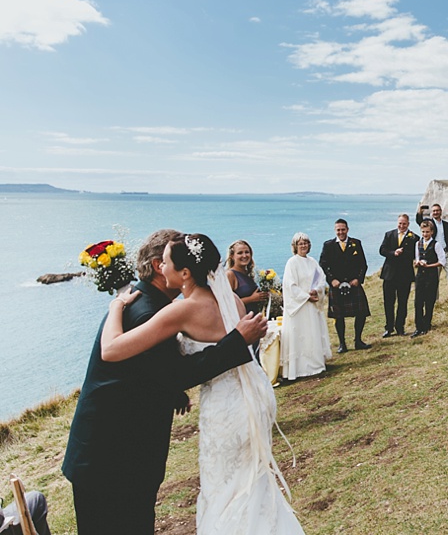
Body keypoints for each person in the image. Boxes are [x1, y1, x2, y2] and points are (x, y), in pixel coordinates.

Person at [63, 229, 267, 535]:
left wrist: (174, 392)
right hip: (111, 459)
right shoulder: (148, 310)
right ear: (162, 266)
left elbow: (152, 372)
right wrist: (237, 342)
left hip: (120, 455)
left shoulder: (150, 302)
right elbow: (175, 371)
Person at [100, 233, 304, 534]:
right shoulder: (231, 300)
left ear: (184, 273)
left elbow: (111, 349)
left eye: (166, 263)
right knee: (252, 483)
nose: (161, 268)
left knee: (224, 489)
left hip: (226, 407)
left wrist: (116, 306)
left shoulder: (182, 310)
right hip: (255, 395)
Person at [281, 232, 332, 379]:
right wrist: (306, 296)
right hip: (300, 306)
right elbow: (290, 285)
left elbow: (321, 279)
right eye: (300, 243)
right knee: (301, 335)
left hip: (312, 304)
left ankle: (315, 364)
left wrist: (316, 291)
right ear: (295, 246)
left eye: (305, 243)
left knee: (313, 334)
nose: (303, 245)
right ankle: (300, 369)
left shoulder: (312, 262)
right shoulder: (292, 263)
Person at [319, 219, 372, 353]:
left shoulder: (356, 243)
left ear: (347, 229)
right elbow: (323, 265)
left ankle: (358, 341)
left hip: (353, 284)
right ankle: (342, 344)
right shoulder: (328, 245)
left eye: (343, 229)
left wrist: (358, 279)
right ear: (335, 230)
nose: (341, 232)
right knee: (339, 316)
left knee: (361, 313)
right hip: (336, 285)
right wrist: (331, 280)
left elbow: (363, 265)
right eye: (338, 230)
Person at [379, 214, 418, 337]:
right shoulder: (389, 235)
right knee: (388, 302)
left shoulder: (414, 238)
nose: (401, 226)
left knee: (403, 302)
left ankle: (400, 327)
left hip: (404, 275)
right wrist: (393, 253)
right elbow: (382, 250)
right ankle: (388, 327)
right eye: (400, 223)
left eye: (404, 224)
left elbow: (415, 254)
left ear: (408, 224)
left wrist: (404, 253)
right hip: (389, 274)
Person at [417, 203, 448, 296]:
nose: (435, 212)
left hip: (446, 253)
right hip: (434, 255)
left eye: (437, 210)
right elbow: (419, 221)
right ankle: (434, 299)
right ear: (431, 213)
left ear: (441, 211)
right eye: (434, 211)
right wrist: (420, 212)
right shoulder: (430, 223)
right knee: (434, 279)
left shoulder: (447, 225)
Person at [412, 219, 446, 337]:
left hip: (431, 276)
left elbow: (442, 261)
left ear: (431, 232)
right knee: (418, 302)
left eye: (427, 232)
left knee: (429, 301)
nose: (425, 234)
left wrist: (429, 265)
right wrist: (417, 263)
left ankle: (426, 325)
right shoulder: (418, 243)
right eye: (423, 232)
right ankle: (418, 327)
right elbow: (416, 257)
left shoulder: (436, 245)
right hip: (420, 275)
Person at [225, 240, 267, 315]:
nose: (244, 256)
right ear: (232, 256)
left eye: (247, 252)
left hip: (254, 320)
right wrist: (251, 299)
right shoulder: (230, 275)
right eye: (240, 253)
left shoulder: (249, 274)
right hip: (241, 321)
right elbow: (226, 304)